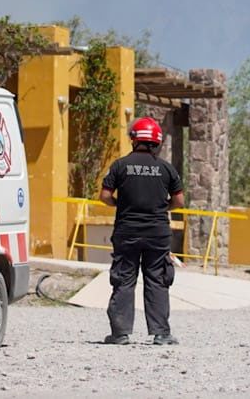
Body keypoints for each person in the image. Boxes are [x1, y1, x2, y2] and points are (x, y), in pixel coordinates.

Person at [99, 117, 184, 346]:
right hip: (157, 233)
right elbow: (179, 200)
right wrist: (162, 206)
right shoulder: (166, 168)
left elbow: (105, 196)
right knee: (157, 279)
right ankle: (161, 334)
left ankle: (120, 333)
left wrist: (121, 204)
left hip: (127, 231)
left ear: (133, 140)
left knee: (124, 279)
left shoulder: (119, 165)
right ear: (156, 143)